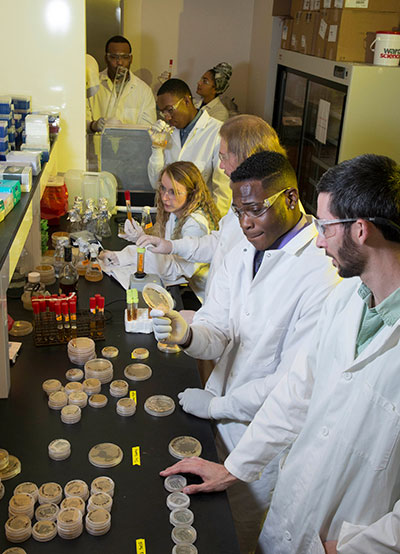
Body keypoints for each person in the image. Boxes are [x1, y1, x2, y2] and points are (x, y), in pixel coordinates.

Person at [160, 153, 400, 554]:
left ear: (361, 230)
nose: (319, 240)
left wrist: (356, 546)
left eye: (325, 227)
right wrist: (233, 469)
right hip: (296, 512)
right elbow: (296, 393)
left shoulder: (327, 283)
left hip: (350, 538)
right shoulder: (348, 299)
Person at [139, 115, 287, 302]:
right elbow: (218, 242)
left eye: (224, 158)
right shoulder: (243, 202)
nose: (222, 166)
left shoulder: (270, 212)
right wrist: (170, 246)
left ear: (246, 156)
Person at [100, 161, 220, 304]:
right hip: (182, 285)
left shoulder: (194, 224)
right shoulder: (176, 211)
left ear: (191, 193)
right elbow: (163, 242)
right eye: (163, 188)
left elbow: (175, 269)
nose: (164, 197)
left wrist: (128, 253)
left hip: (197, 296)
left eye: (173, 192)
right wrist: (139, 239)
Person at [147, 78, 231, 217]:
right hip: (171, 220)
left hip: (202, 221)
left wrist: (212, 226)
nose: (167, 117)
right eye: (163, 112)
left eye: (170, 110)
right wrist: (157, 148)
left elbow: (222, 193)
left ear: (186, 101)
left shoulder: (217, 133)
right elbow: (156, 184)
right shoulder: (168, 133)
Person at [87, 35, 156, 133]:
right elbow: (80, 121)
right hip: (98, 146)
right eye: (114, 57)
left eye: (125, 57)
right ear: (106, 58)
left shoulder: (144, 91)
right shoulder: (92, 85)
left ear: (131, 59)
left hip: (130, 147)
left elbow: (148, 129)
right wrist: (93, 125)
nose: (119, 62)